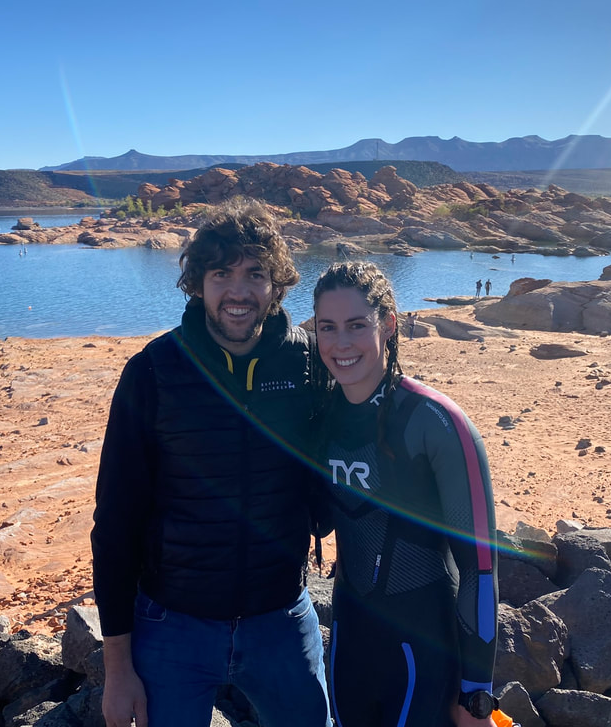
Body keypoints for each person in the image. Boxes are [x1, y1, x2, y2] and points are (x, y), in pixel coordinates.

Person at [92, 197, 330, 727]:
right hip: (172, 623)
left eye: (255, 273)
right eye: (221, 273)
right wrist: (118, 667)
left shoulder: (310, 363)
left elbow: (345, 469)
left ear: (277, 284)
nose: (239, 291)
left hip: (282, 617)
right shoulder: (152, 371)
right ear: (198, 282)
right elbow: (114, 523)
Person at [312, 262, 499, 727]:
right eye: (327, 328)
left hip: (422, 646)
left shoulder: (435, 422)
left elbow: (479, 567)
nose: (341, 343)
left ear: (389, 324)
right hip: (350, 637)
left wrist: (478, 692)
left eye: (357, 325)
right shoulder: (320, 418)